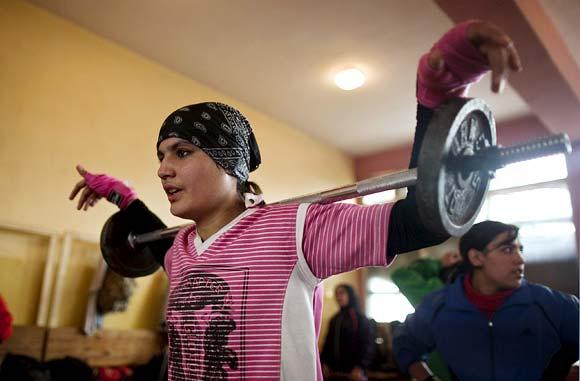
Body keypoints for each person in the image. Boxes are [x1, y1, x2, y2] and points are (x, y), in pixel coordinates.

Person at [69, 20, 521, 381]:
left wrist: (438, 98)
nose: (163, 169)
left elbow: (420, 220)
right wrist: (119, 194)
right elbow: (146, 236)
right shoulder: (182, 250)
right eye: (161, 156)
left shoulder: (296, 229)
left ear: (232, 165)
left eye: (182, 152)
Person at [392, 220, 580, 381]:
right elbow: (406, 345)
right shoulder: (439, 305)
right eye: (507, 249)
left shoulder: (549, 303)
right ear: (476, 257)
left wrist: (566, 370)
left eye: (520, 249)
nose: (520, 259)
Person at [321, 284, 375, 381]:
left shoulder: (360, 319)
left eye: (342, 293)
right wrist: (324, 362)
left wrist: (360, 366)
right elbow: (328, 343)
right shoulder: (334, 319)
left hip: (355, 373)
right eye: (336, 294)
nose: (338, 297)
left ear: (350, 295)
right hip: (335, 373)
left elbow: (368, 345)